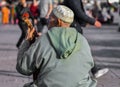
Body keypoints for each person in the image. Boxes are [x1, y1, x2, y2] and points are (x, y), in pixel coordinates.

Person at [16, 5, 97, 87]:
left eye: (50, 17)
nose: (48, 20)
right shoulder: (82, 40)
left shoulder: (43, 40)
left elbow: (22, 68)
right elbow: (89, 64)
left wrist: (27, 41)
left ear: (58, 21)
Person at [62, 0, 109, 78]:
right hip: (72, 27)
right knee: (82, 49)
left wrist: (83, 23)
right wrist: (93, 22)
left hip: (72, 25)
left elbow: (76, 11)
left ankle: (94, 70)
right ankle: (94, 70)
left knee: (80, 49)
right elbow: (78, 12)